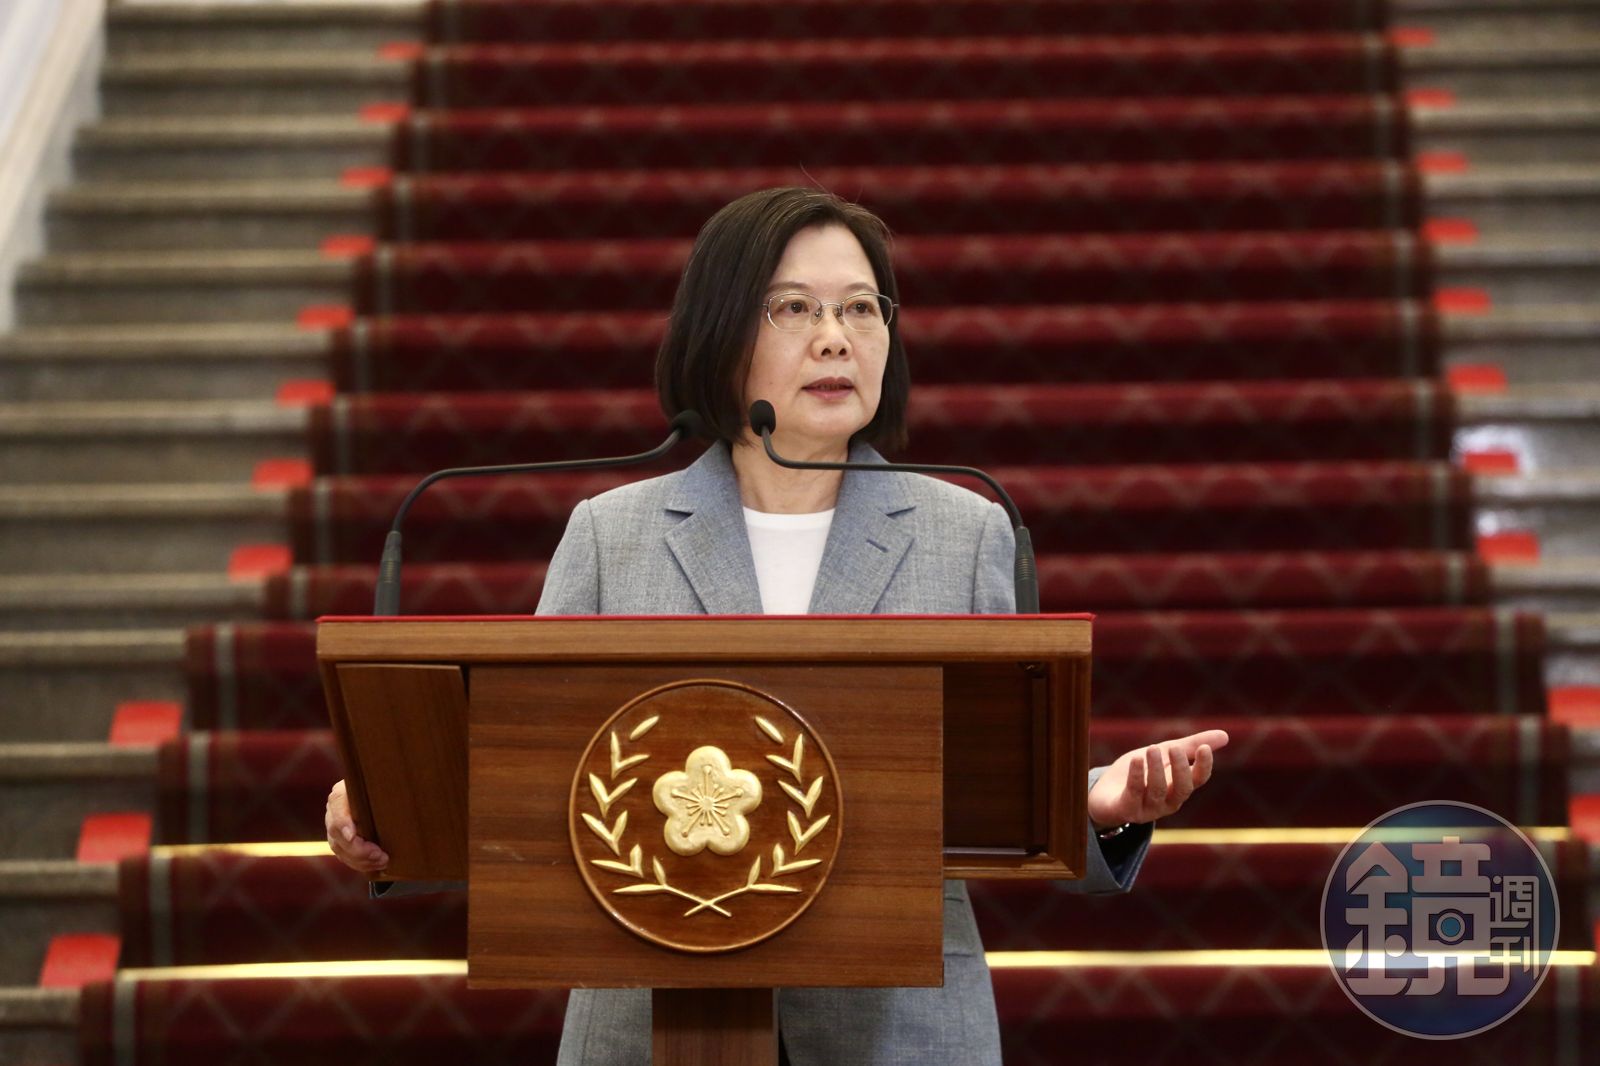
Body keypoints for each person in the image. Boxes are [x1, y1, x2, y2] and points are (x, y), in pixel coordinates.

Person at [326, 187, 1229, 1064]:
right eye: (794, 307)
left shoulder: (966, 530)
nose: (836, 336)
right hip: (650, 1024)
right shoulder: (611, 534)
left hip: (897, 1032)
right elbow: (523, 783)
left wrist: (1096, 803)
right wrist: (393, 813)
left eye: (862, 308)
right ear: (721, 332)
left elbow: (1001, 787)